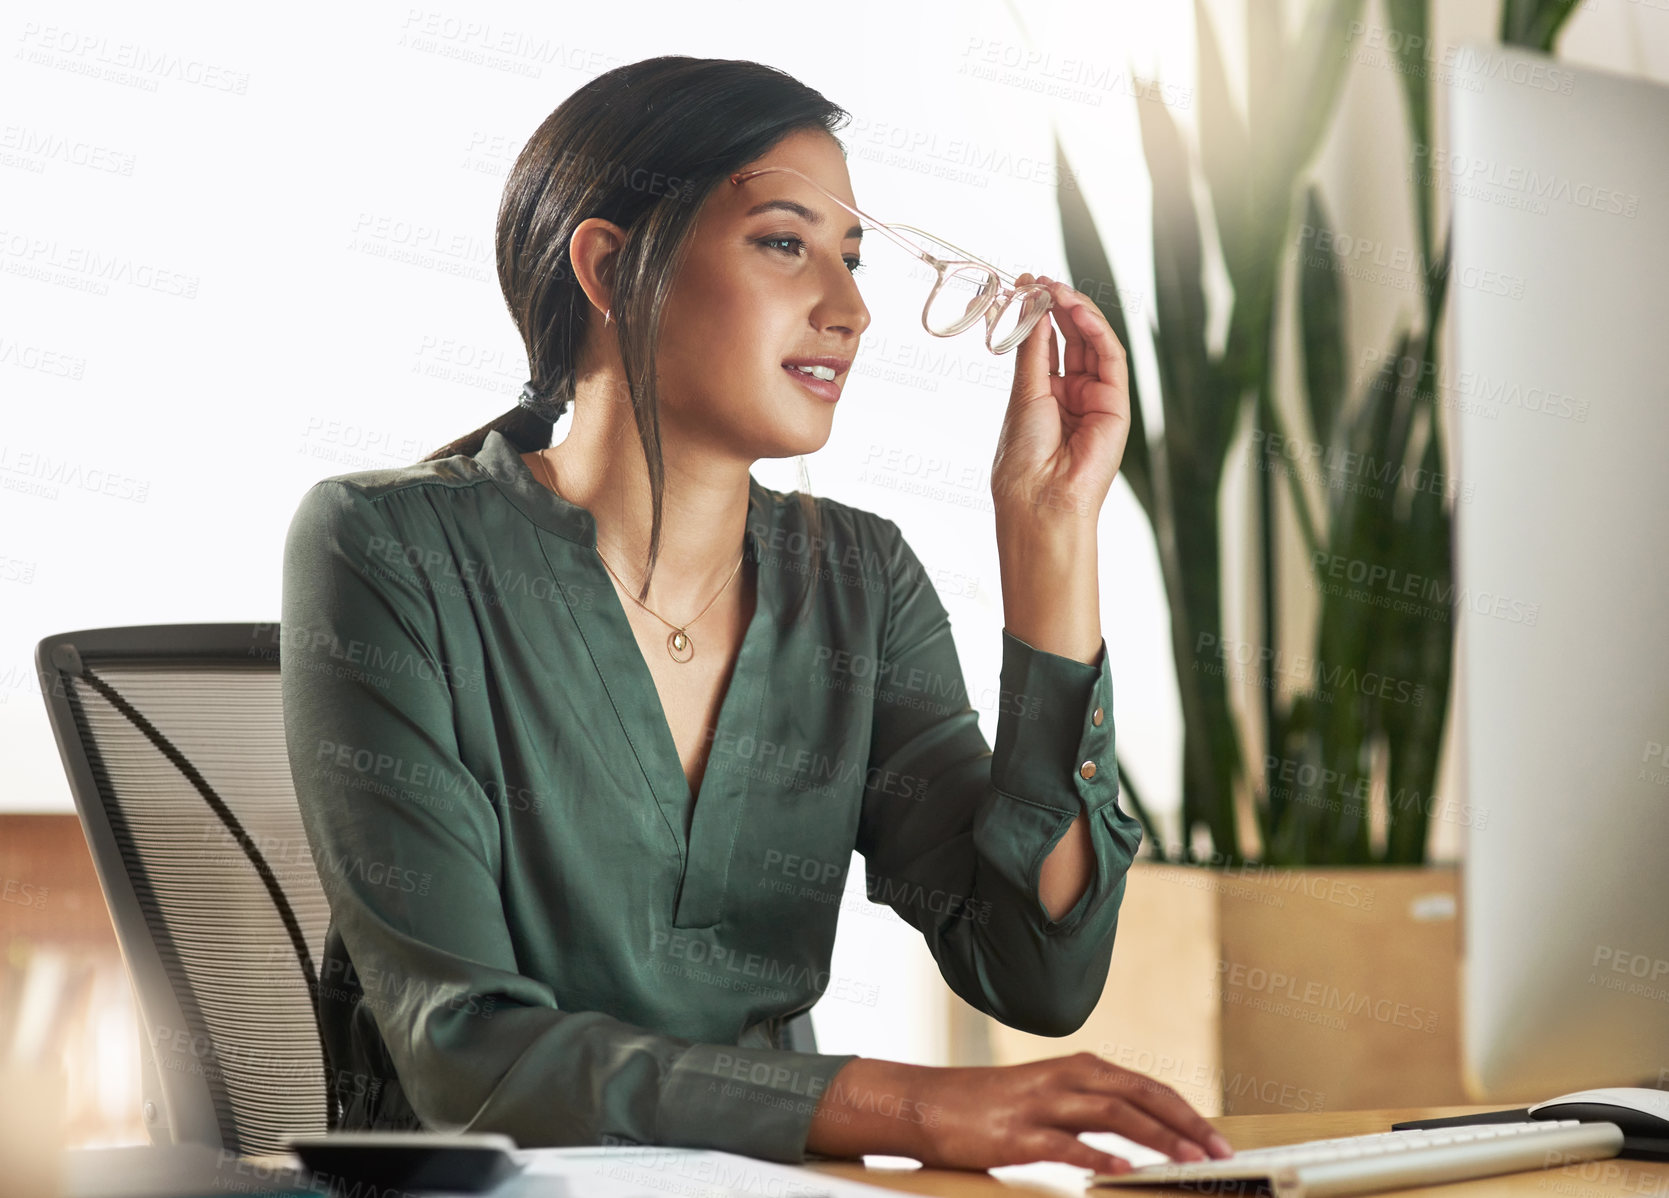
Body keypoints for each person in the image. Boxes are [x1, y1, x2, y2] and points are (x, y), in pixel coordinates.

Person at [279, 54, 1233, 1175]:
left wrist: (1051, 538)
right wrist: (911, 1108)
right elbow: (469, 1058)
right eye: (784, 243)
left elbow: (1037, 972)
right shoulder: (386, 547)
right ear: (608, 264)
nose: (851, 309)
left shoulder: (856, 582)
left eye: (852, 257)